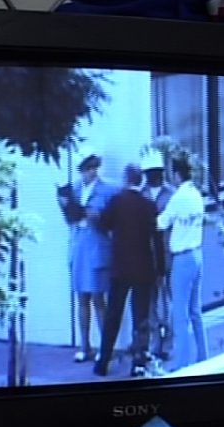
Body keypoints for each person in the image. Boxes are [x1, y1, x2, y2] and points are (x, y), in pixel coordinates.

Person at [94, 164, 163, 378]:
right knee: (141, 317)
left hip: (120, 267)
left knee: (113, 315)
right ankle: (139, 362)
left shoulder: (117, 201)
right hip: (143, 268)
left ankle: (103, 361)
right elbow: (157, 240)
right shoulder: (149, 205)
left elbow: (103, 223)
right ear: (140, 181)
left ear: (126, 179)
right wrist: (161, 269)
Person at [57, 149, 117, 362]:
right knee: (81, 298)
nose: (90, 172)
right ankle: (85, 346)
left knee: (99, 298)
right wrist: (66, 207)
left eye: (93, 167)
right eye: (86, 168)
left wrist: (97, 216)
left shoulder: (109, 189)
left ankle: (105, 348)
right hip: (78, 247)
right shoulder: (73, 189)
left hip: (97, 247)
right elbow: (69, 219)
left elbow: (112, 220)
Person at [157, 157, 208, 372]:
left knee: (180, 313)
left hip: (182, 258)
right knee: (195, 310)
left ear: (177, 175)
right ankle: (203, 356)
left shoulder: (178, 197)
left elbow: (161, 223)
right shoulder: (196, 195)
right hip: (197, 254)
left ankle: (182, 364)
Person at [139, 151, 175, 363]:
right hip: (147, 256)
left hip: (168, 254)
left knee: (170, 301)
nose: (153, 176)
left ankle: (170, 342)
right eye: (149, 173)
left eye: (156, 172)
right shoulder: (141, 194)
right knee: (150, 302)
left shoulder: (172, 194)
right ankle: (154, 343)